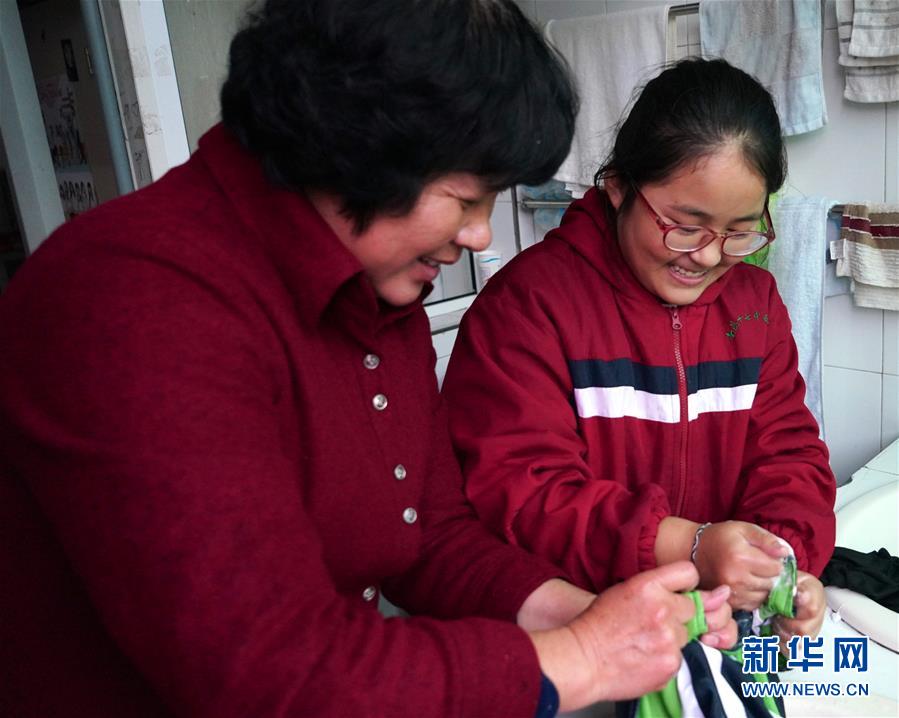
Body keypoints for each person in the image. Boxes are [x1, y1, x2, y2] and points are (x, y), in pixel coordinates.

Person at [0, 4, 735, 717]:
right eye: (465, 199)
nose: (479, 236)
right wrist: (580, 657)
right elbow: (270, 670)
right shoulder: (133, 296)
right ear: (355, 149)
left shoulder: (376, 296)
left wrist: (591, 619)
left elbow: (432, 537)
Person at [442, 58, 836, 651]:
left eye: (739, 231)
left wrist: (781, 562)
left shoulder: (754, 305)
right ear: (619, 187)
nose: (709, 256)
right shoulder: (531, 304)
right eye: (684, 225)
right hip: (574, 635)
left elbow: (789, 454)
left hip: (714, 630)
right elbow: (522, 489)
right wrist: (688, 547)